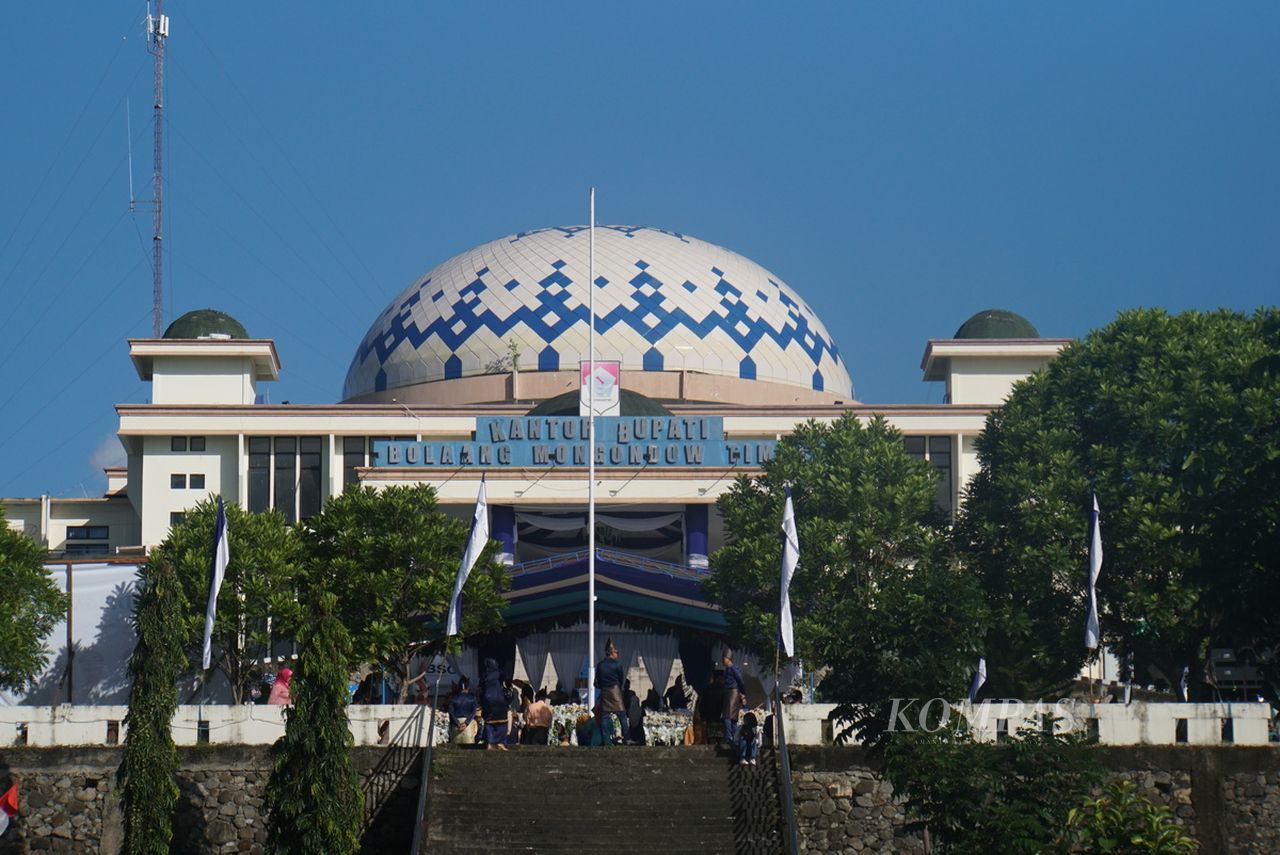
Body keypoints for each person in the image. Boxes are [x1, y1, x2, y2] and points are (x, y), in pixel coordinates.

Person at [594, 638, 628, 743]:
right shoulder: (617, 665)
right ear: (611, 653)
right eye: (617, 652)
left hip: (604, 691)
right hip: (615, 690)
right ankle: (627, 737)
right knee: (622, 715)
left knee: (605, 716)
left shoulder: (600, 665)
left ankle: (605, 739)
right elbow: (621, 679)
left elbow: (598, 680)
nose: (618, 654)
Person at [479, 657, 509, 750]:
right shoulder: (498, 672)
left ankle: (490, 743)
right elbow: (506, 678)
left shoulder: (484, 674)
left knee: (489, 721)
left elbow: (481, 686)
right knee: (502, 721)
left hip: (487, 699)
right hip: (498, 698)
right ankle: (500, 742)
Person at [721, 648, 746, 746]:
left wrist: (743, 692)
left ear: (728, 658)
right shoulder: (727, 669)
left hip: (733, 692)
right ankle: (734, 736)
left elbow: (740, 679)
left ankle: (730, 736)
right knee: (731, 717)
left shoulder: (733, 668)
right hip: (729, 692)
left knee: (728, 716)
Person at [448, 678, 478, 744]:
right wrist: (466, 722)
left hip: (456, 725)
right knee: (469, 748)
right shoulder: (472, 697)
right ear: (468, 687)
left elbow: (451, 712)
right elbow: (474, 711)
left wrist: (457, 723)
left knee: (455, 748)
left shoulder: (453, 698)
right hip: (468, 724)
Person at [623, 679, 644, 744]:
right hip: (627, 713)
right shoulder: (622, 693)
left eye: (627, 684)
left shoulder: (631, 693)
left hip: (630, 713)